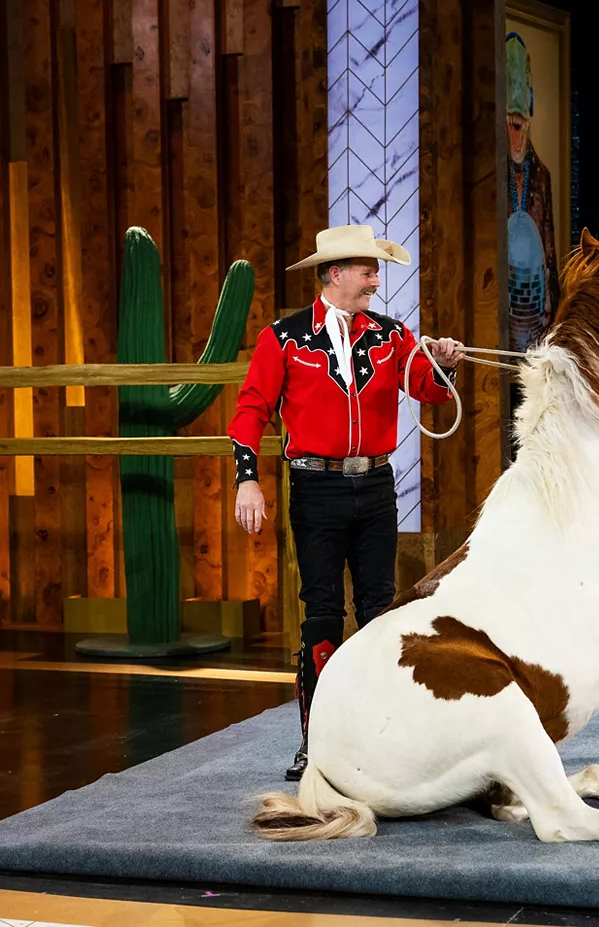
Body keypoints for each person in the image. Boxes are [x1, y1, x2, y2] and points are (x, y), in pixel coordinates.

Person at [227, 224, 464, 780]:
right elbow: (249, 411)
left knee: (381, 610)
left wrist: (445, 362)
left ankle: (384, 737)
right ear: (335, 274)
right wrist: (247, 479)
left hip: (376, 487)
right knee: (323, 613)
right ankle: (317, 741)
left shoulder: (391, 335)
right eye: (368, 269)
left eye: (376, 270)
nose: (376, 280)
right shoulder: (282, 338)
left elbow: (428, 389)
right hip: (316, 488)